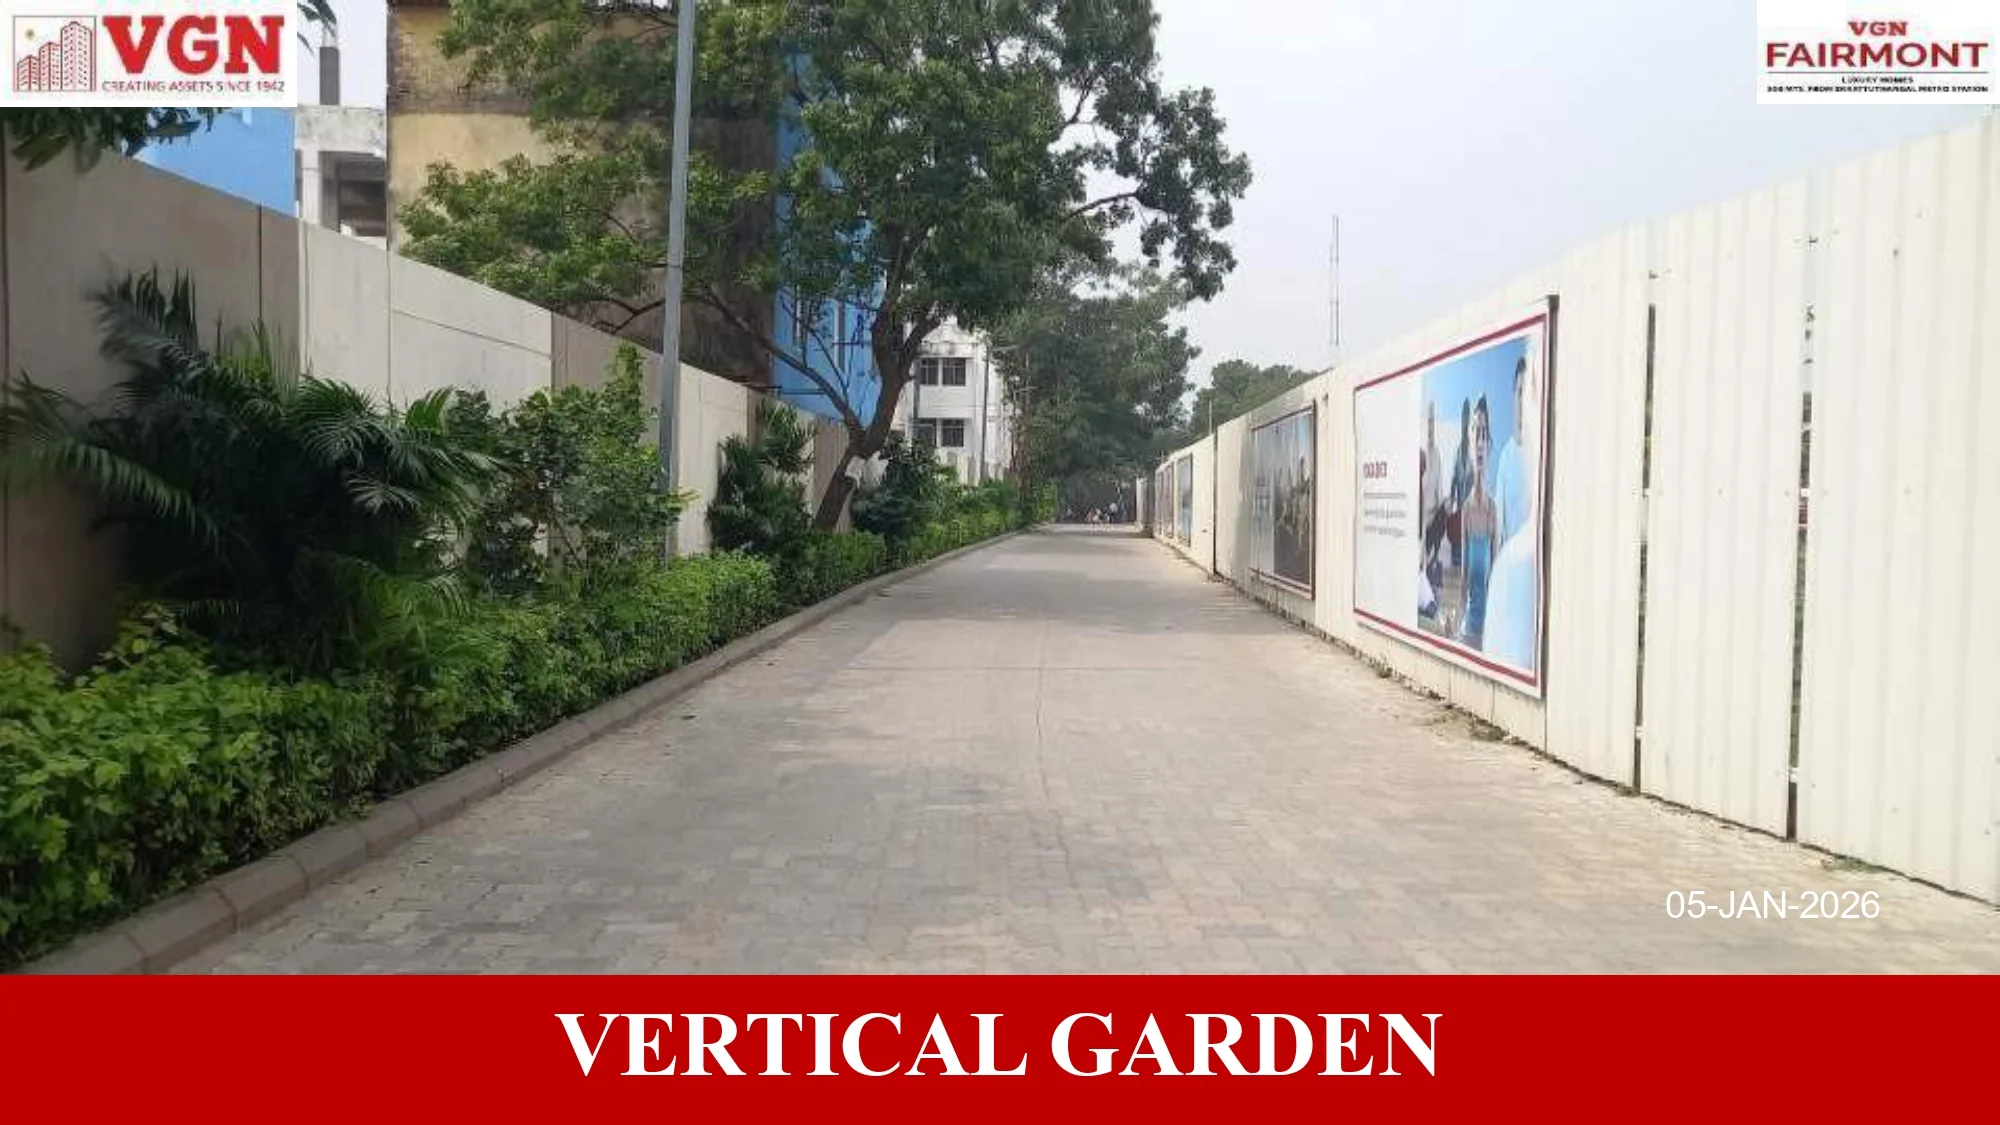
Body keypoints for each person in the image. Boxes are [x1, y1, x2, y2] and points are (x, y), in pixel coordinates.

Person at [1458, 397, 1497, 649]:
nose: (1480, 442)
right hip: (1467, 633)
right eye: (1475, 432)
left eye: (1484, 433)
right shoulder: (1466, 510)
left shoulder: (1493, 508)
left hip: (1488, 635)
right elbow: (1463, 577)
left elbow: (1493, 577)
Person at [1493, 353, 1532, 545]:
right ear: (1513, 395)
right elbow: (1499, 530)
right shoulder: (1505, 458)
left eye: (1529, 394)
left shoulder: (1539, 457)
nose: (1523, 402)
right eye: (1520, 392)